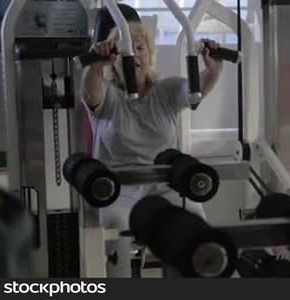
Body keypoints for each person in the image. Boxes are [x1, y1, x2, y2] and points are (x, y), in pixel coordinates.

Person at [81, 21, 223, 277]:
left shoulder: (165, 90)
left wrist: (212, 70)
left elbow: (195, 90)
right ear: (114, 59)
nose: (133, 55)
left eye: (140, 48)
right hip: (119, 186)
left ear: (150, 54)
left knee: (195, 224)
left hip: (165, 183)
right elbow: (90, 90)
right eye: (125, 50)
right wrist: (95, 66)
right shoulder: (108, 94)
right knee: (116, 227)